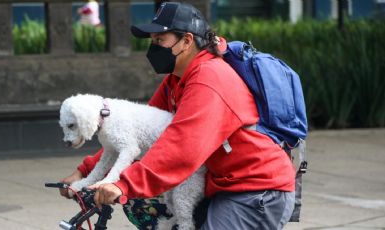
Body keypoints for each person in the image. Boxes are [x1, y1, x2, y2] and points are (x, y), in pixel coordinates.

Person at [62, 2, 296, 229]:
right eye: (152, 41)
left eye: (160, 40)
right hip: (221, 183)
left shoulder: (209, 79)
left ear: (186, 41)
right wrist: (85, 172)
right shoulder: (176, 80)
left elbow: (181, 147)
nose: (153, 47)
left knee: (133, 191)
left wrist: (124, 183)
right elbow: (131, 131)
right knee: (138, 203)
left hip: (256, 190)